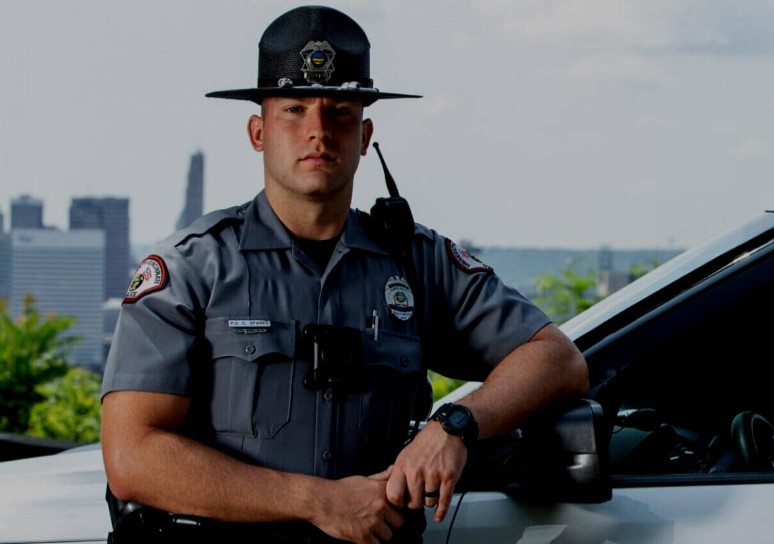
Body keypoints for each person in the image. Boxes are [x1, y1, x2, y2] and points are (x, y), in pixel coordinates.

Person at [99, 6, 589, 543]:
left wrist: (454, 426)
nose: (318, 131)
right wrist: (317, 502)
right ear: (257, 132)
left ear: (365, 133)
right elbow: (132, 455)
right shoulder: (194, 266)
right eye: (294, 109)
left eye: (339, 112)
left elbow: (556, 359)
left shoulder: (415, 262)